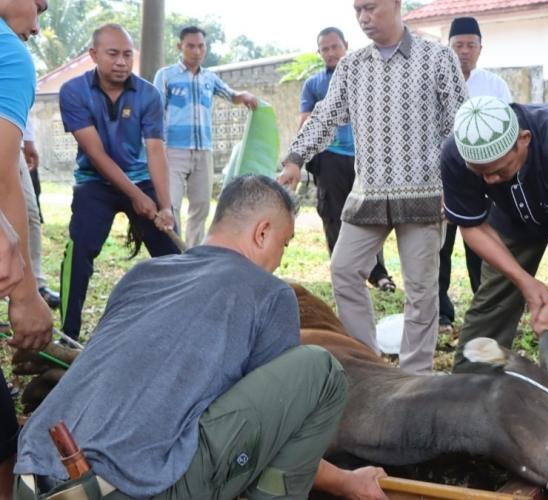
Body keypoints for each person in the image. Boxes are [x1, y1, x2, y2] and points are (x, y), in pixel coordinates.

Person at [14, 174, 387, 500]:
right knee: (319, 368)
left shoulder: (143, 274)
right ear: (262, 233)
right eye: (284, 244)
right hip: (129, 486)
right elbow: (277, 431)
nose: (279, 260)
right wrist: (345, 482)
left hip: (31, 475)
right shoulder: (268, 293)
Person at [278, 0, 467, 374]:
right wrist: (295, 158)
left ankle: (415, 376)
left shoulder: (437, 57)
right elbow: (325, 116)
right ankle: (368, 365)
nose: (364, 18)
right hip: (368, 195)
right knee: (344, 269)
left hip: (423, 195)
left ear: (396, 5)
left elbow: (458, 125)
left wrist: (456, 185)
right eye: (358, 10)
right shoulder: (352, 65)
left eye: (372, 8)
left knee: (421, 290)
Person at [443, 97, 548, 400]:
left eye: (498, 170)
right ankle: (467, 391)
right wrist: (524, 280)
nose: (490, 180)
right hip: (512, 215)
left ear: (523, 140)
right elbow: (473, 226)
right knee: (495, 294)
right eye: (480, 173)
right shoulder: (455, 155)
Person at [58, 24, 179, 341]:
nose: (122, 61)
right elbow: (95, 153)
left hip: (141, 177)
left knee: (175, 257)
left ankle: (183, 328)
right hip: (94, 182)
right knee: (79, 249)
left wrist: (165, 206)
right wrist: (135, 196)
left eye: (127, 54)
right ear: (94, 55)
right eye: (113, 54)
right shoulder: (73, 92)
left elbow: (155, 150)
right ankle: (68, 333)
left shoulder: (148, 94)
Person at [0, 0, 53, 498]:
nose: (37, 23)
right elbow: (1, 178)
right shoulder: (8, 53)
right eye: (36, 4)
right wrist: (23, 294)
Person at [299, 26, 396, 293]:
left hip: (367, 159)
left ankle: (378, 274)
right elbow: (305, 121)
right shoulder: (314, 85)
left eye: (334, 47)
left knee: (371, 214)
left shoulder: (367, 75)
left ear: (346, 46)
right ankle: (342, 275)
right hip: (329, 158)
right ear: (319, 52)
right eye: (325, 49)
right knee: (333, 215)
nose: (330, 53)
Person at [438, 16, 513, 332]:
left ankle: (484, 309)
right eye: (458, 45)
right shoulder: (435, 83)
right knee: (439, 247)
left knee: (480, 243)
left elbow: (510, 126)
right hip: (443, 176)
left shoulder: (494, 85)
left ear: (480, 48)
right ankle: (441, 311)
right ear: (449, 49)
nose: (464, 51)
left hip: (484, 178)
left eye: (470, 45)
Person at [154, 26, 258, 248]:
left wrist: (246, 96)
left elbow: (232, 95)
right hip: (173, 150)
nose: (196, 51)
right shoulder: (165, 76)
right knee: (171, 205)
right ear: (180, 46)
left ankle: (192, 253)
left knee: (201, 205)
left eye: (201, 46)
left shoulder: (209, 78)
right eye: (190, 46)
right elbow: (156, 113)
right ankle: (173, 253)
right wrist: (157, 148)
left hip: (203, 150)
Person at [20, 118, 60, 309]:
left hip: (11, 136)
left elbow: (18, 94)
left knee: (29, 213)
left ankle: (35, 286)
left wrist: (27, 139)